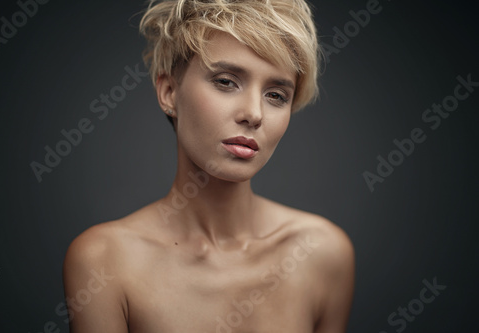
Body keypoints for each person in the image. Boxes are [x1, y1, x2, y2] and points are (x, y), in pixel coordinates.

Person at [63, 0, 355, 332]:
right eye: (226, 82)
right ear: (169, 92)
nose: (254, 114)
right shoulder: (105, 262)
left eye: (276, 95)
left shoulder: (322, 253)